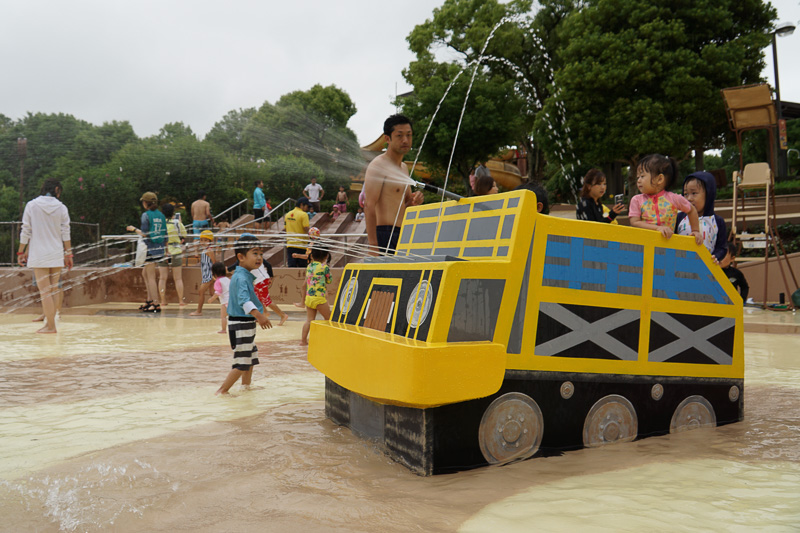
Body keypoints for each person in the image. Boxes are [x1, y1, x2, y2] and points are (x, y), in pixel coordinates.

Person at [217, 234, 272, 395]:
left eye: (261, 254)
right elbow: (243, 300)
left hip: (243, 323)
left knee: (250, 356)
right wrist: (259, 316)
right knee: (242, 361)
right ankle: (222, 390)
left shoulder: (243, 275)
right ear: (241, 257)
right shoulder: (241, 278)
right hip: (241, 324)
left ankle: (245, 386)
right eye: (255, 253)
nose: (259, 258)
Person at [17, 178, 73, 334]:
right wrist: (69, 254)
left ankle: (50, 327)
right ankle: (51, 323)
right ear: (56, 190)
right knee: (53, 289)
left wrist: (21, 251)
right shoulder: (61, 208)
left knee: (45, 291)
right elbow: (65, 232)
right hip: (56, 253)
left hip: (39, 253)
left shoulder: (32, 205)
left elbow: (26, 230)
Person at [364, 114, 424, 255]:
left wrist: (415, 200)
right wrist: (373, 245)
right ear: (387, 139)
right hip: (383, 233)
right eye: (399, 135)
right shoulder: (378, 165)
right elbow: (369, 205)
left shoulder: (403, 168)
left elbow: (406, 204)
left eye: (409, 135)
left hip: (401, 233)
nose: (405, 140)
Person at [629, 154, 702, 245]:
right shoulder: (637, 200)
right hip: (644, 245)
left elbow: (691, 210)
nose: (638, 180)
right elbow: (634, 222)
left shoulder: (674, 199)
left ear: (659, 179)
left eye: (642, 176)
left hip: (667, 246)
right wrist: (657, 228)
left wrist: (695, 231)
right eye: (638, 177)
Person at [127, 192, 168, 313]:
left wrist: (133, 229)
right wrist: (166, 249)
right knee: (145, 273)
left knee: (150, 276)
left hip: (150, 248)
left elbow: (145, 233)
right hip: (159, 248)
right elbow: (165, 233)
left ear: (145, 203)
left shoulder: (146, 215)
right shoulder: (161, 215)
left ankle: (156, 304)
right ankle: (149, 300)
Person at [677, 171, 727, 262]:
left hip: (705, 269)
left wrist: (716, 256)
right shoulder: (679, 218)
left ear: (708, 195)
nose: (689, 198)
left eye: (694, 193)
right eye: (686, 194)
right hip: (680, 267)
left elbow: (722, 247)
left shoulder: (718, 222)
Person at [227, 256, 289, 326]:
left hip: (261, 280)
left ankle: (282, 315)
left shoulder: (247, 257)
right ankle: (264, 313)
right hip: (261, 280)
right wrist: (270, 276)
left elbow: (236, 265)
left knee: (266, 301)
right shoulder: (256, 256)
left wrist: (227, 269)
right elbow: (268, 265)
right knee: (257, 297)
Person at [300, 247, 332, 346]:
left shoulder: (309, 266)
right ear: (326, 256)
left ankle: (303, 341)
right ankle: (328, 339)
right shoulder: (324, 267)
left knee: (309, 320)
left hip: (309, 298)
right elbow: (329, 281)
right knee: (329, 320)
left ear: (312, 256)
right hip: (320, 299)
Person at [161, 203, 188, 306]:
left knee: (162, 278)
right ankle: (181, 301)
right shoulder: (177, 223)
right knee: (178, 278)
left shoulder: (161, 223)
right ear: (173, 212)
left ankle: (163, 301)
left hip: (163, 252)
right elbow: (184, 234)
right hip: (176, 251)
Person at [189, 230, 217, 316]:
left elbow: (214, 263)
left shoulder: (209, 251)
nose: (203, 242)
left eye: (206, 240)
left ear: (210, 242)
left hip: (209, 276)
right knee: (213, 293)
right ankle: (228, 306)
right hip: (206, 275)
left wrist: (214, 275)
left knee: (201, 292)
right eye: (202, 240)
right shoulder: (204, 251)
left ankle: (199, 311)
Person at [285, 197, 311, 268]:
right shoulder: (304, 214)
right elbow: (306, 228)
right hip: (301, 245)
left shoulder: (288, 214)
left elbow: (285, 228)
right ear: (302, 205)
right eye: (307, 206)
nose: (308, 208)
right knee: (302, 268)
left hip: (290, 244)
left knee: (291, 267)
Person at [208, 261, 230, 334]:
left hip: (225, 302)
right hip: (233, 301)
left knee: (223, 316)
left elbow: (218, 292)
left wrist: (212, 299)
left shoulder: (218, 281)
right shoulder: (227, 279)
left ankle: (223, 329)